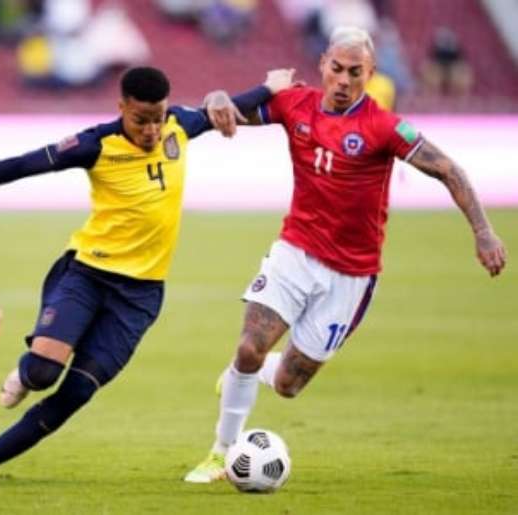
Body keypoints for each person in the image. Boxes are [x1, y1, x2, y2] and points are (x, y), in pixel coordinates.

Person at [0, 65, 297, 488]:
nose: (152, 130)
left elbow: (232, 106)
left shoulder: (180, 126)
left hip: (139, 298)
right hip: (88, 275)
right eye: (141, 120)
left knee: (77, 392)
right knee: (44, 373)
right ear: (121, 108)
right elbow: (21, 165)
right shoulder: (94, 144)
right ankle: (26, 374)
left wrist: (270, 87)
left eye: (157, 118)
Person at [184, 26, 507, 483]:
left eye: (355, 73)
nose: (343, 80)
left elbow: (448, 169)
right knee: (249, 346)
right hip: (294, 251)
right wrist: (217, 94)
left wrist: (483, 231)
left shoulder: (383, 126)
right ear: (322, 65)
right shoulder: (293, 103)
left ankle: (249, 375)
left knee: (288, 385)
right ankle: (221, 451)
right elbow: (228, 112)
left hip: (351, 275)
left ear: (370, 74)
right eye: (336, 69)